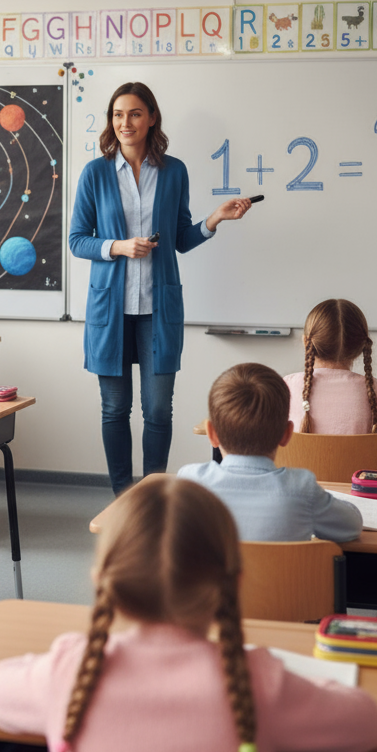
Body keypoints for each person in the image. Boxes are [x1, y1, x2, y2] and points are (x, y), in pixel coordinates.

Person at [0, 476, 377, 752]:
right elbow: (366, 722)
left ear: (102, 579)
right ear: (233, 584)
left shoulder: (72, 667)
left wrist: (60, 652)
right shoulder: (258, 679)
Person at [67, 82, 254, 496]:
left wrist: (215, 219)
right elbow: (77, 239)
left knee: (157, 409)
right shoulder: (95, 173)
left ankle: (151, 496)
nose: (125, 123)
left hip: (158, 309)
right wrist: (117, 246)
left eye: (134, 113)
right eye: (117, 114)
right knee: (114, 409)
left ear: (151, 117)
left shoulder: (174, 172)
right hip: (110, 309)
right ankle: (122, 498)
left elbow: (181, 239)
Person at [177, 363, 362, 541]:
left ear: (211, 433)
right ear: (287, 434)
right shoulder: (302, 490)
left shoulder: (189, 483)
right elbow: (352, 526)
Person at [285, 299, 377, 443]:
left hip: (297, 466)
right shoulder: (370, 389)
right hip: (357, 466)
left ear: (306, 342)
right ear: (362, 347)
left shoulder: (288, 385)